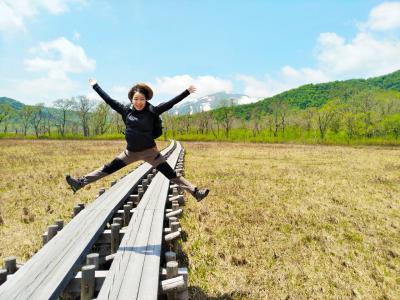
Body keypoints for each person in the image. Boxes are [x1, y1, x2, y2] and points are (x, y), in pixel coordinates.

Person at [65, 78, 209, 201]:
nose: (139, 102)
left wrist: (187, 92)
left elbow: (170, 103)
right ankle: (79, 183)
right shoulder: (125, 110)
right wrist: (95, 85)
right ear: (131, 100)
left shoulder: (153, 111)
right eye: (136, 99)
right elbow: (108, 100)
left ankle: (196, 193)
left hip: (150, 153)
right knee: (107, 168)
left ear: (146, 99)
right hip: (130, 153)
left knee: (172, 175)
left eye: (142, 99)